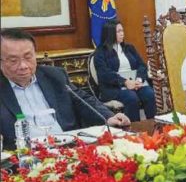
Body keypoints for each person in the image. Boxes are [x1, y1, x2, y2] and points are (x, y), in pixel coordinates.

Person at [0, 29, 130, 149]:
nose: (23, 66)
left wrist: (107, 116)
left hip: (68, 147)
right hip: (23, 156)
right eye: (13, 60)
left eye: (28, 57)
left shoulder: (54, 76)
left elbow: (82, 100)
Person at [93, 19, 156, 121]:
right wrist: (125, 82)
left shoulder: (129, 48)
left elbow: (142, 65)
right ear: (110, 33)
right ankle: (134, 131)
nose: (122, 34)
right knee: (131, 98)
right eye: (118, 31)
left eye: (122, 31)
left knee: (149, 94)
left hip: (135, 83)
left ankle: (154, 127)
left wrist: (138, 80)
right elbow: (104, 73)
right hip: (114, 88)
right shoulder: (101, 52)